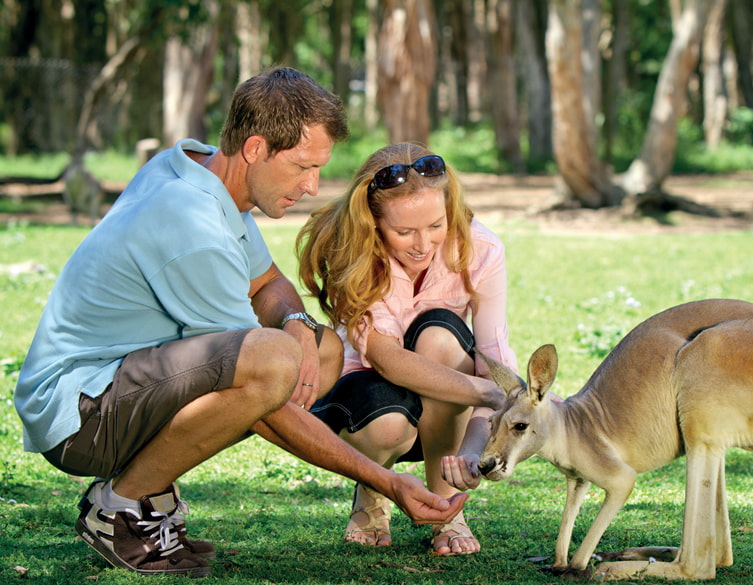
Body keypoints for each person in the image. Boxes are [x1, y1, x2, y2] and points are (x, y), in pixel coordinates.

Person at [13, 68, 466, 578]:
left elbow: (268, 283)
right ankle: (121, 506)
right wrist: (387, 482)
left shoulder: (199, 169)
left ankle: (145, 491)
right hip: (80, 415)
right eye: (302, 167)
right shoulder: (192, 223)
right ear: (255, 148)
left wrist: (296, 322)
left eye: (318, 168)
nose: (312, 186)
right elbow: (264, 399)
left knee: (319, 350)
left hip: (119, 383)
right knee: (272, 362)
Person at [296, 142, 516, 556]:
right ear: (374, 223)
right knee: (388, 424)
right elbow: (386, 359)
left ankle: (447, 506)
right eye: (403, 232)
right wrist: (488, 393)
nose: (423, 244)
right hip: (363, 403)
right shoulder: (353, 252)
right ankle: (373, 487)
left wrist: (471, 450)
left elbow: (494, 364)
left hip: (443, 412)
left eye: (436, 225)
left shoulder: (483, 248)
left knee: (440, 334)